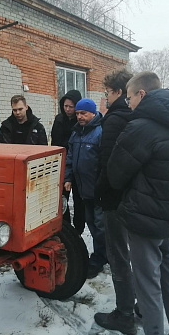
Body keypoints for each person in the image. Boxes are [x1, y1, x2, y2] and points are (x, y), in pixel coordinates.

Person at [107, 72, 169, 335]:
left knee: (148, 286)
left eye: (129, 96)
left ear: (142, 94)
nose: (128, 103)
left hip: (145, 220)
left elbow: (115, 174)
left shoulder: (141, 127)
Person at [94, 69, 136, 335]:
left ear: (118, 92)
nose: (105, 97)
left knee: (118, 256)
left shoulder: (114, 120)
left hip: (116, 200)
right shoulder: (135, 116)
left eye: (108, 92)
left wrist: (101, 194)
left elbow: (107, 163)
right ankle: (141, 305)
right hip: (136, 198)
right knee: (139, 257)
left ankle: (124, 314)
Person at [64, 98, 107, 279]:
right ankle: (104, 254)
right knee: (92, 223)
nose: (80, 117)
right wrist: (68, 178)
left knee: (100, 226)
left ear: (93, 113)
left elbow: (105, 163)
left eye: (83, 114)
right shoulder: (76, 134)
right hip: (82, 190)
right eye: (78, 114)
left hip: (97, 190)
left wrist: (101, 185)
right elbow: (70, 159)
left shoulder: (100, 132)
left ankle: (100, 257)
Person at [51, 90, 85, 234]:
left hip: (77, 164)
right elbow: (54, 143)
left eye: (71, 107)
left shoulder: (81, 122)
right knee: (62, 198)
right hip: (62, 164)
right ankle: (65, 226)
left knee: (79, 199)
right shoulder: (59, 120)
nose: (68, 109)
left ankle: (78, 229)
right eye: (66, 106)